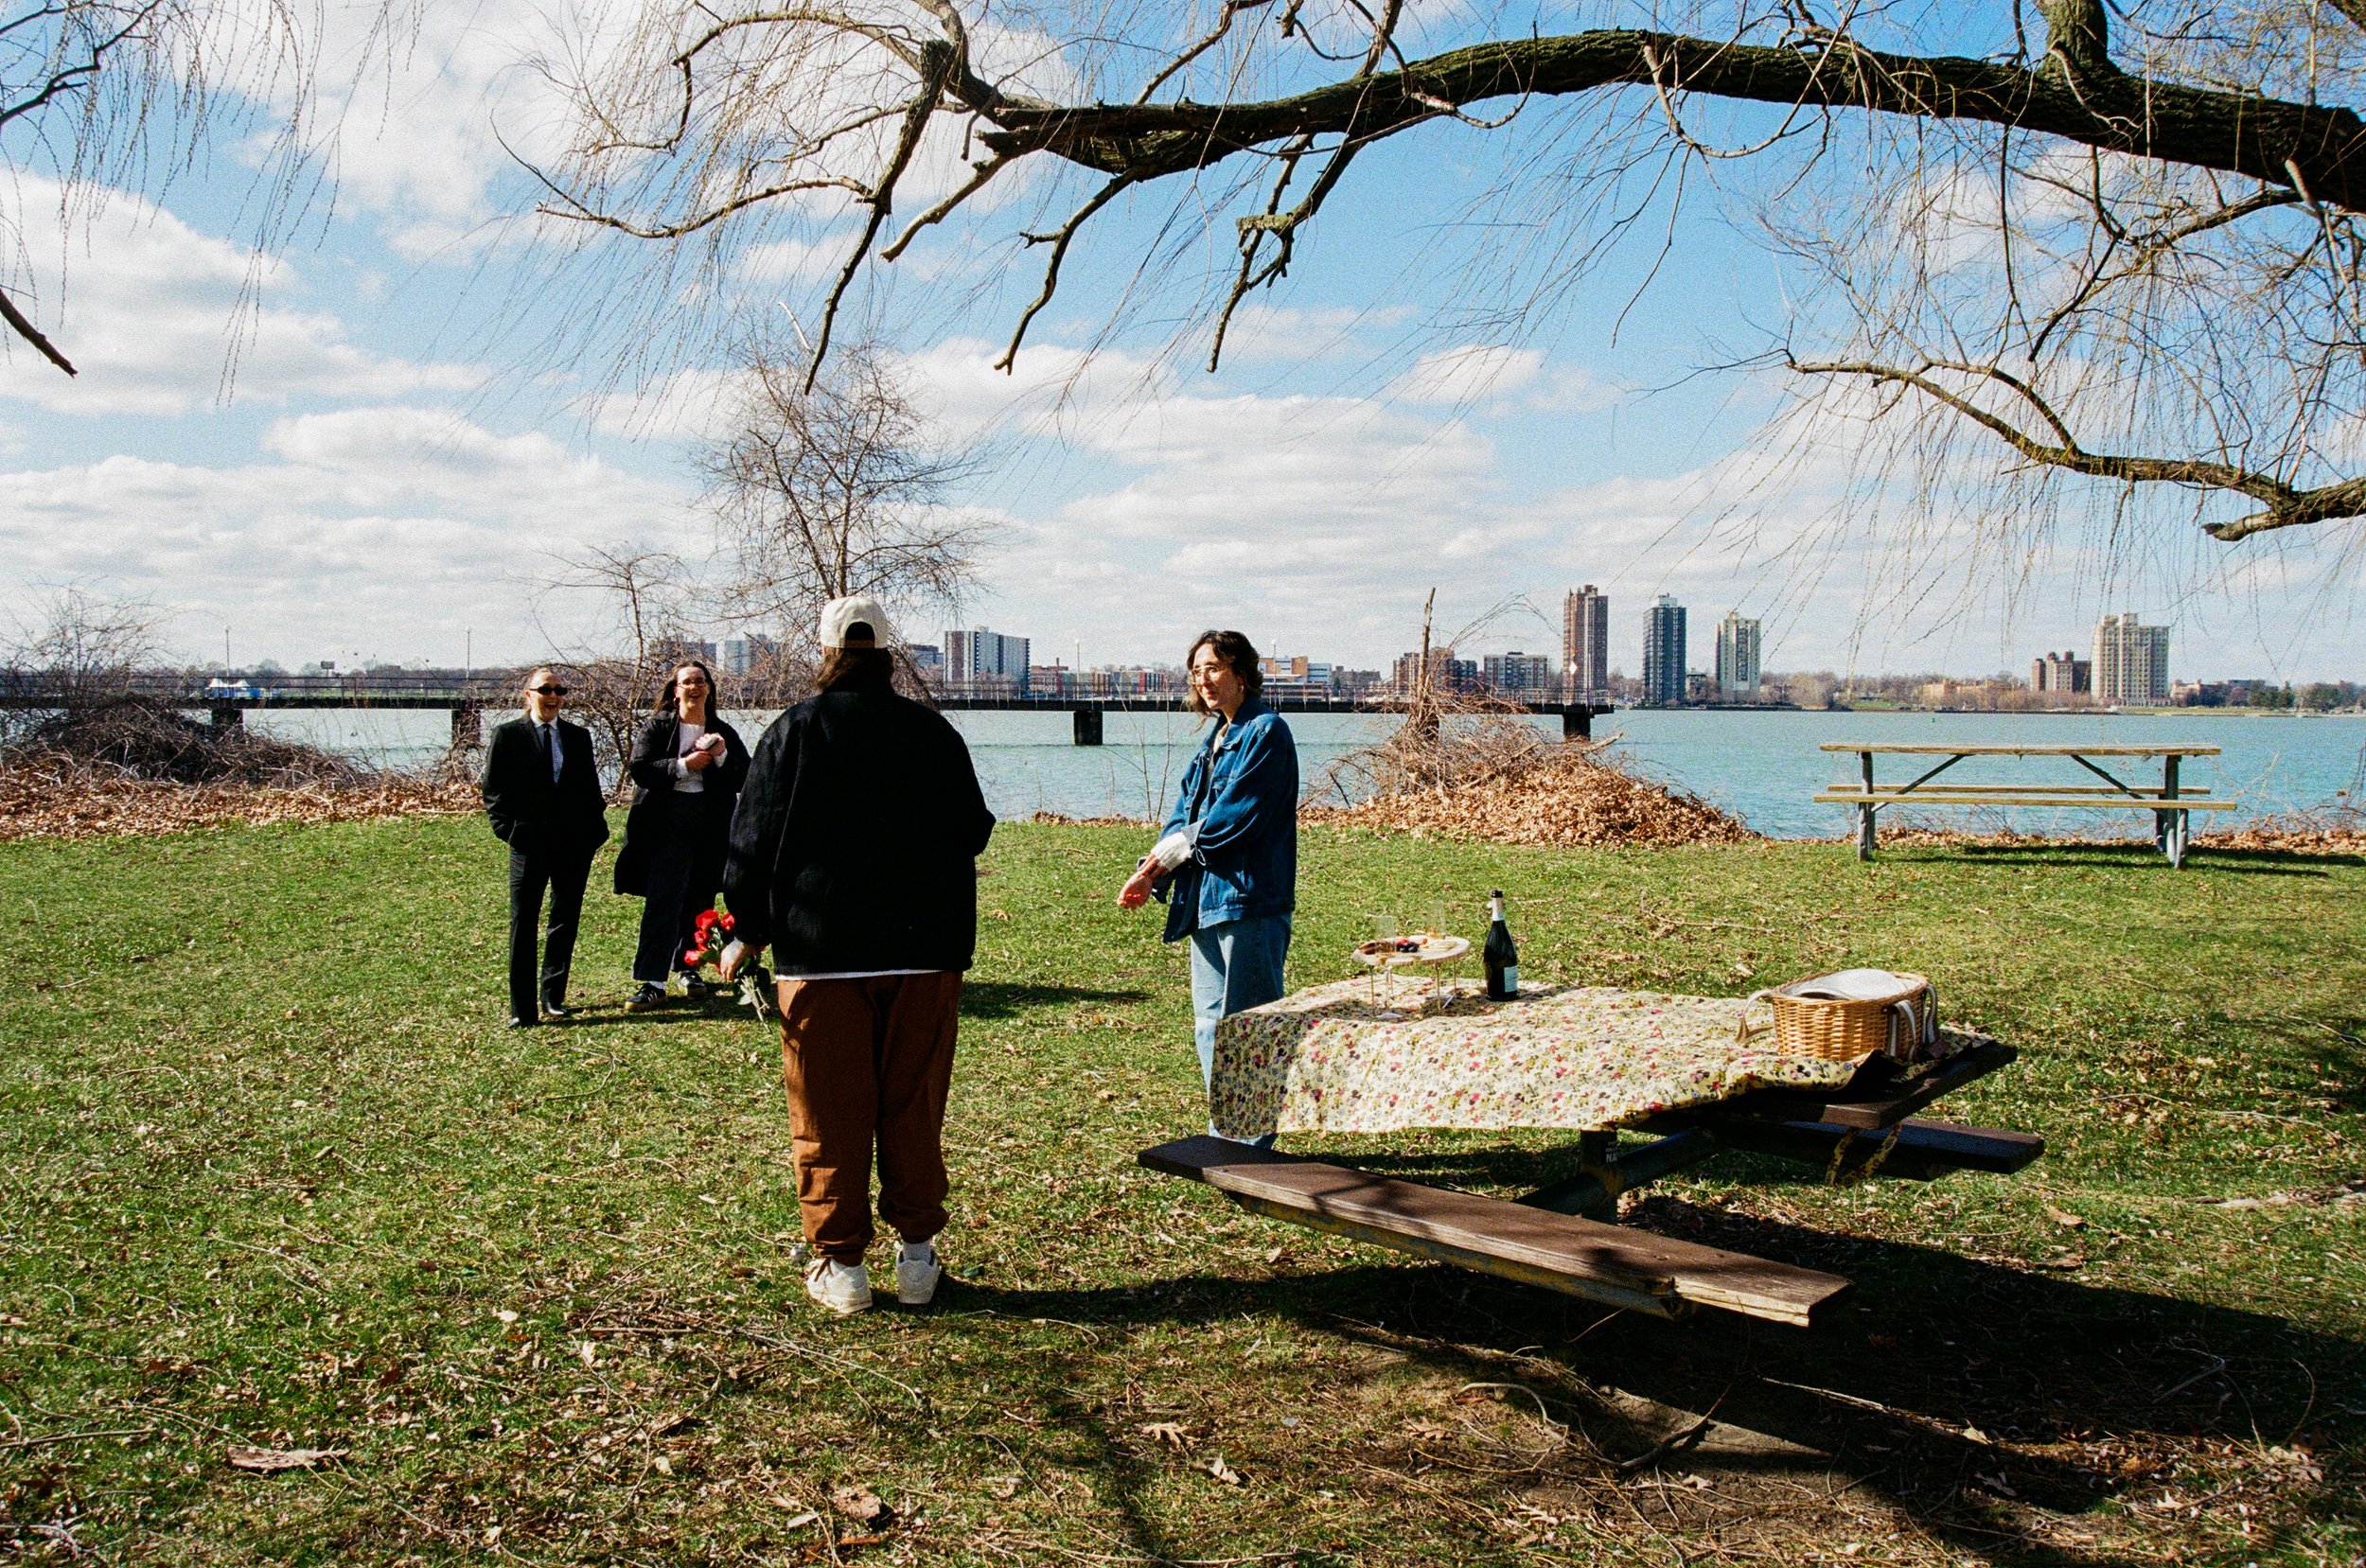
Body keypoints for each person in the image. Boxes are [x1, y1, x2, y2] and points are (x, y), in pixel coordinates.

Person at [717, 593, 995, 1316]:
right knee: (912, 1106)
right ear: (887, 654)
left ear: (826, 652)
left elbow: (750, 840)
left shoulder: (793, 731)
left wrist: (748, 927)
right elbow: (973, 828)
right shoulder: (932, 732)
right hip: (923, 950)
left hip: (821, 953)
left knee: (827, 1113)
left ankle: (842, 1265)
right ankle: (918, 1255)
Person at [1117, 629, 1298, 1144]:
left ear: (1242, 672)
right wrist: (1151, 869)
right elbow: (1182, 817)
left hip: (1249, 899)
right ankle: (1226, 1136)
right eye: (1197, 671)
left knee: (1250, 1026)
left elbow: (1235, 820)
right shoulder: (1213, 740)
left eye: (1214, 667)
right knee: (1211, 1026)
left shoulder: (1266, 732)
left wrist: (1170, 855)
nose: (1204, 679)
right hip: (1205, 900)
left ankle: (1253, 1146)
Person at [613, 660, 750, 1011]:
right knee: (664, 899)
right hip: (668, 824)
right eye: (687, 682)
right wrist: (683, 766)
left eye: (701, 681)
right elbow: (640, 768)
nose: (695, 687)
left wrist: (721, 756)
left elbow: (745, 776)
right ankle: (652, 981)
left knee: (701, 900)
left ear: (709, 689)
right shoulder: (659, 726)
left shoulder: (721, 730)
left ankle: (689, 968)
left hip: (711, 825)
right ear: (675, 691)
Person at [479, 667, 610, 1028]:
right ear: (528, 695)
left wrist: (594, 832)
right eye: (545, 690)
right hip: (528, 845)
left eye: (559, 690)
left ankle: (553, 998)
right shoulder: (508, 735)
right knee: (524, 923)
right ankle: (522, 1009)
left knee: (564, 921)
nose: (553, 696)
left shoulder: (578, 736)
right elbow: (493, 790)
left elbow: (590, 789)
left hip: (573, 845)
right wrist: (510, 831)